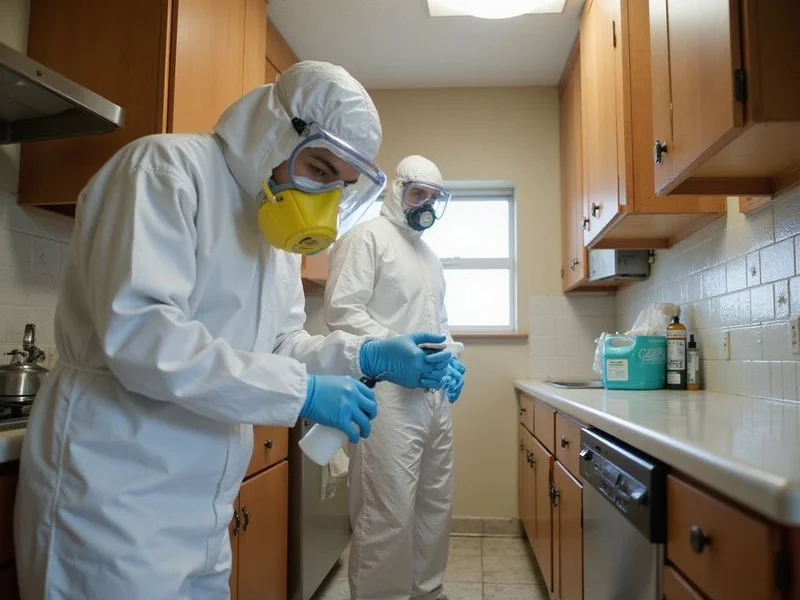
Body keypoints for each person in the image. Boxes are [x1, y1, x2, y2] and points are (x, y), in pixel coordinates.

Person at [13, 62, 452, 600]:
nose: (322, 195)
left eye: (339, 184)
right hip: (113, 492)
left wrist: (366, 355)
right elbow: (144, 338)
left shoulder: (275, 232)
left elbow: (283, 344)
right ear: (273, 129)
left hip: (205, 504)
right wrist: (304, 392)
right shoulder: (165, 170)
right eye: (317, 166)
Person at [324, 155, 467, 600]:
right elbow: (343, 313)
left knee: (434, 505)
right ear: (397, 192)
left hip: (432, 398)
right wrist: (396, 349)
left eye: (434, 197)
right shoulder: (366, 237)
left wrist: (453, 360)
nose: (425, 204)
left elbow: (438, 323)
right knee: (386, 514)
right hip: (385, 396)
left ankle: (428, 592)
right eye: (417, 193)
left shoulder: (429, 258)